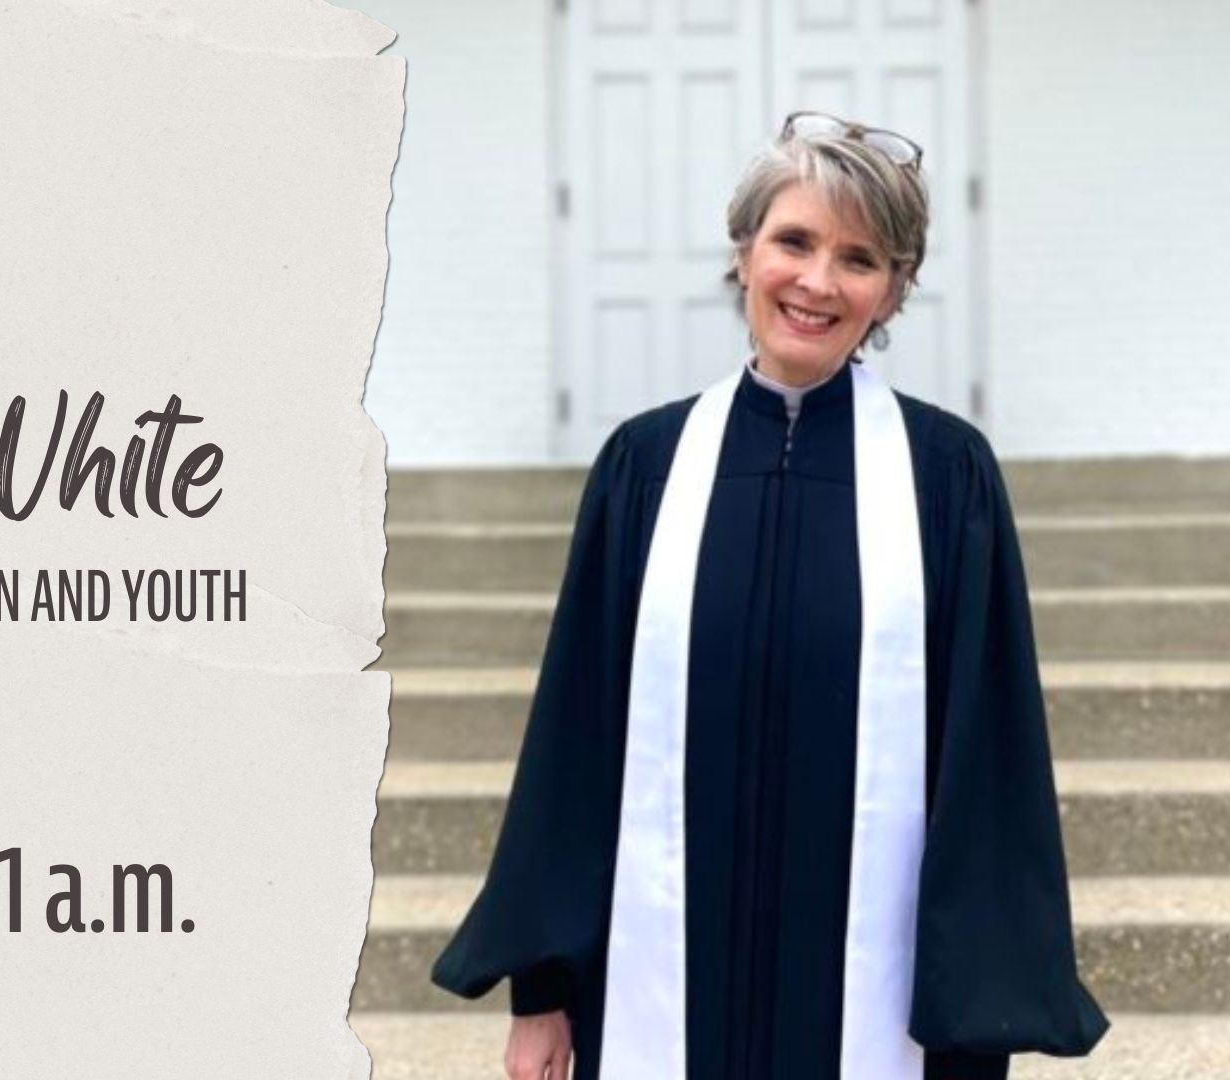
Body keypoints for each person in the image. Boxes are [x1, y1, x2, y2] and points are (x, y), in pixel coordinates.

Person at [429, 113, 1109, 1080]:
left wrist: (974, 1022)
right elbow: (577, 747)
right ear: (745, 252)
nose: (818, 282)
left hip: (879, 1019)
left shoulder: (944, 477)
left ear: (892, 291)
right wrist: (542, 993)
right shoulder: (647, 467)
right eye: (794, 241)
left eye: (860, 258)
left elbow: (988, 764)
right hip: (664, 995)